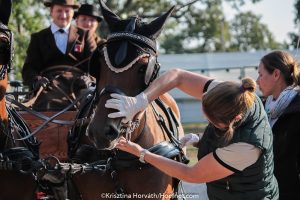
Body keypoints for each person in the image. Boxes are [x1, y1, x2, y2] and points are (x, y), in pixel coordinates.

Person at [105, 69, 279, 199]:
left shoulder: (246, 148)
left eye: (212, 120)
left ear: (235, 119)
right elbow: (178, 76)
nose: (207, 121)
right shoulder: (233, 94)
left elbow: (191, 174)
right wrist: (141, 100)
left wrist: (141, 153)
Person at [22, 0, 96, 91]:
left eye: (67, 11)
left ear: (73, 13)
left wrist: (89, 79)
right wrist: (36, 80)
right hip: (47, 88)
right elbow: (29, 68)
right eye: (59, 11)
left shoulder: (85, 35)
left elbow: (96, 65)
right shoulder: (38, 38)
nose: (63, 15)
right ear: (51, 11)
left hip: (80, 89)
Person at [256, 50, 300, 200]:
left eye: (261, 75)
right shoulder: (262, 108)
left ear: (276, 74)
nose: (256, 81)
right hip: (270, 191)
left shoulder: (297, 109)